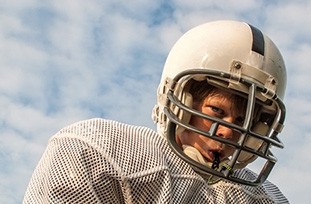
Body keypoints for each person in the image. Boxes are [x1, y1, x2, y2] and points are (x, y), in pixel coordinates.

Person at [23, 20, 288, 203]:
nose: (230, 131)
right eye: (217, 110)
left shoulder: (261, 198)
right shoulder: (104, 155)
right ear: (180, 101)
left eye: (242, 121)